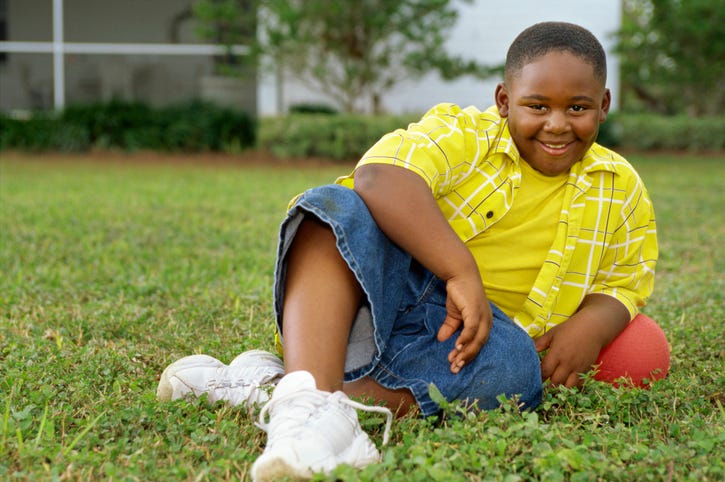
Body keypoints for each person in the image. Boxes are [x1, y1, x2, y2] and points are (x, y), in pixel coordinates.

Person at [156, 21, 668, 481]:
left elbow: (625, 279)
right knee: (332, 206)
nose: (557, 124)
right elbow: (379, 177)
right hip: (374, 301)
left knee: (517, 371)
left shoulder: (619, 187)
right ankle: (312, 388)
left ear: (603, 104)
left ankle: (287, 393)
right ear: (504, 100)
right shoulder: (465, 134)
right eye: (538, 106)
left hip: (463, 343)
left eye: (577, 108)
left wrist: (591, 325)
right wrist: (460, 271)